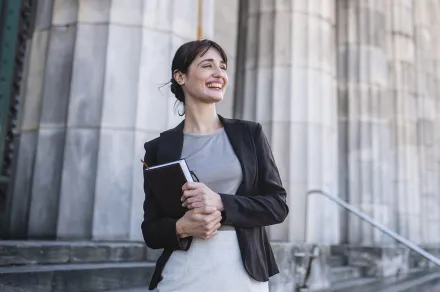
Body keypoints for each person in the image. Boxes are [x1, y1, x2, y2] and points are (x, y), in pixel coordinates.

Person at [141, 39, 289, 292]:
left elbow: (277, 206)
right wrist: (181, 227)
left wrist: (221, 201)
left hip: (244, 273)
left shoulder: (249, 135)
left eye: (222, 67)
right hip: (183, 273)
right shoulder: (159, 148)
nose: (219, 74)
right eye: (208, 65)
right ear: (180, 77)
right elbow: (151, 230)